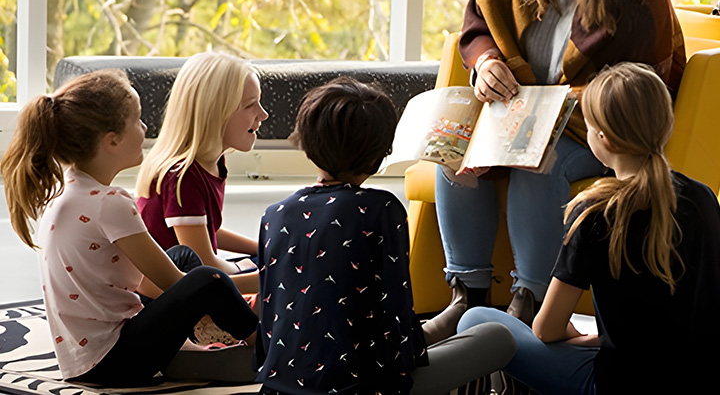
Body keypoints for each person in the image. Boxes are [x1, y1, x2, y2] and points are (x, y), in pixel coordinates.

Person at [431, 0, 687, 334]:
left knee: (539, 163)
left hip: (598, 128)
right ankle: (466, 296)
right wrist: (487, 62)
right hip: (519, 114)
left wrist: (562, 106)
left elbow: (647, 85)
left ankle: (529, 299)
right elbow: (478, 21)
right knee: (454, 153)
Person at [457, 62, 720, 394]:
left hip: (615, 384)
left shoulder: (596, 212)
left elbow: (546, 330)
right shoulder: (703, 196)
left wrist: (579, 336)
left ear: (603, 139)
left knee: (476, 320)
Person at [254, 77, 517, 394]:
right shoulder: (381, 209)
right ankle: (456, 318)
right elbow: (396, 319)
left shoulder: (274, 215)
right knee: (499, 338)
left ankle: (449, 320)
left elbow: (269, 321)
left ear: (307, 144)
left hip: (280, 386)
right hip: (366, 386)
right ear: (380, 154)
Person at [0, 70, 258, 385]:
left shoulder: (69, 189)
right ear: (112, 140)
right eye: (137, 120)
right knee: (207, 280)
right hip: (113, 360)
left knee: (182, 256)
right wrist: (264, 279)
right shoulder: (111, 203)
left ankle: (188, 348)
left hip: (83, 355)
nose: (145, 128)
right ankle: (266, 347)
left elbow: (152, 280)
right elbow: (174, 282)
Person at [136, 51, 268, 296]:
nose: (263, 114)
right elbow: (204, 261)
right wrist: (252, 269)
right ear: (216, 112)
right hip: (165, 294)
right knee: (279, 283)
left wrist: (262, 249)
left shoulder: (213, 162)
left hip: (195, 274)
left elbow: (207, 231)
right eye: (251, 105)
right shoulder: (182, 176)